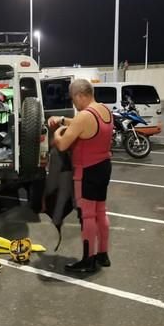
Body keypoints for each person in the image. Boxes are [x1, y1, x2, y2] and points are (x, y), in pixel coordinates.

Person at [48, 78, 112, 273]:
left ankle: (88, 259)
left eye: (73, 99)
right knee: (101, 211)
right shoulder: (104, 110)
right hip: (103, 167)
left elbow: (62, 144)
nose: (73, 103)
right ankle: (102, 254)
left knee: (88, 215)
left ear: (79, 95)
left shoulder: (84, 116)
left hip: (87, 171)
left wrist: (58, 131)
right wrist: (63, 119)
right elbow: (82, 125)